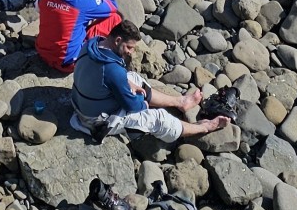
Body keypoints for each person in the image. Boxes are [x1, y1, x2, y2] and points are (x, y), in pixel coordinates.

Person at [70, 20, 228, 144]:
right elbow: (132, 106)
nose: (131, 52)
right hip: (94, 119)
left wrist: (127, 84)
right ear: (118, 40)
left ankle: (180, 101)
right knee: (159, 118)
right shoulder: (112, 70)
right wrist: (142, 103)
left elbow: (106, 76)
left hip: (80, 100)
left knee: (134, 78)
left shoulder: (93, 44)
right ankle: (204, 127)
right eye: (129, 47)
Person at [36, 0, 123, 72]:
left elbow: (38, 9)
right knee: (114, 17)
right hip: (67, 62)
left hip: (42, 52)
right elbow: (112, 6)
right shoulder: (83, 0)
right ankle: (111, 56)